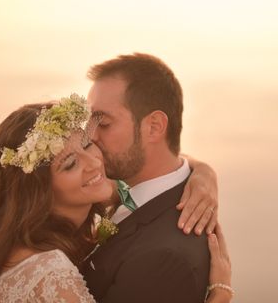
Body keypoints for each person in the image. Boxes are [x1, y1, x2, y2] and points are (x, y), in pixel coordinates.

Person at [0, 93, 233, 302]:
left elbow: (159, 168)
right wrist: (220, 295)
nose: (93, 163)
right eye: (70, 164)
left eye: (86, 144)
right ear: (39, 192)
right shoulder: (51, 272)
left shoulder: (20, 247)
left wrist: (203, 172)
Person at [82, 53, 234, 303]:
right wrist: (203, 169)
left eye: (104, 123)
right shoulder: (123, 187)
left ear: (154, 127)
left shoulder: (163, 258)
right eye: (90, 120)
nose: (90, 135)